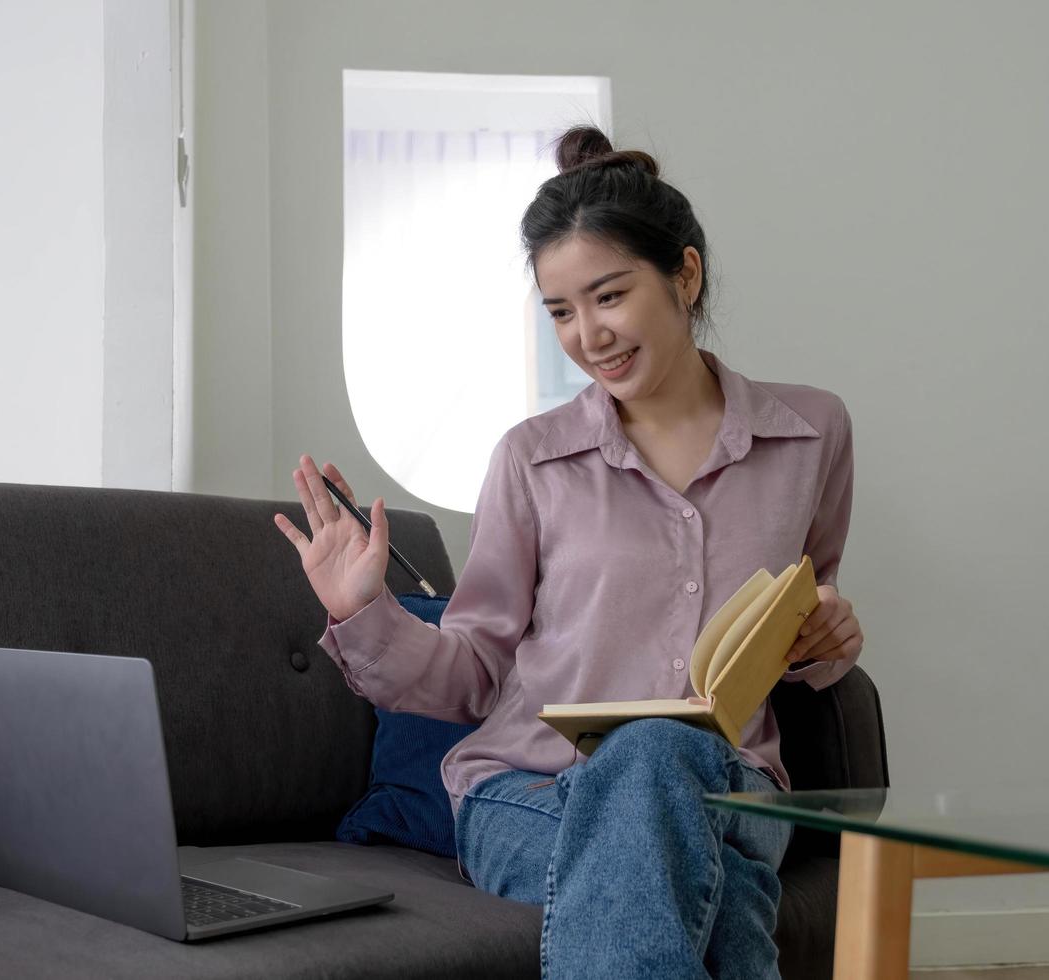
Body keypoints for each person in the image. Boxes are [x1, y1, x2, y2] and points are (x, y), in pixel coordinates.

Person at [272, 124, 864, 979]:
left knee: (660, 757)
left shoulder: (811, 435)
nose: (588, 334)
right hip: (527, 790)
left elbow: (804, 620)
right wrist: (360, 611)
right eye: (560, 310)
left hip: (735, 788)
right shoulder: (531, 458)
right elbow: (477, 669)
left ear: (684, 275)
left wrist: (831, 638)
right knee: (711, 881)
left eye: (609, 296)